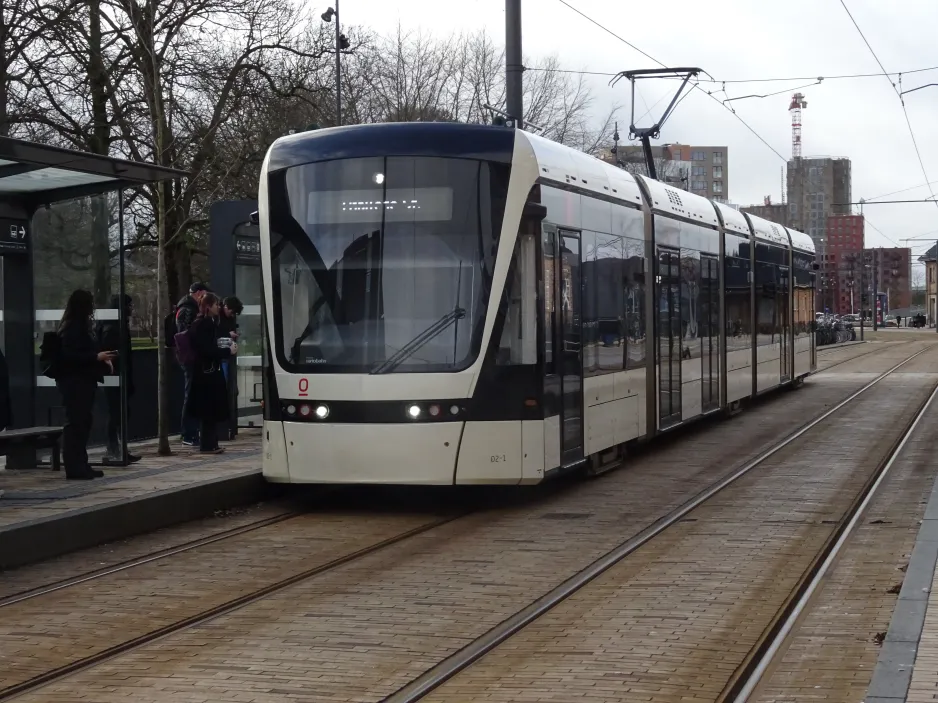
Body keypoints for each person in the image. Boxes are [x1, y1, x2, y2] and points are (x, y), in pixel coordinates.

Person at [57, 290, 116, 479]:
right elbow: (68, 356)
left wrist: (100, 359)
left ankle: (81, 464)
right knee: (76, 423)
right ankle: (74, 467)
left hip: (82, 381)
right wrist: (95, 357)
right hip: (75, 383)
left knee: (82, 423)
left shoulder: (79, 326)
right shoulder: (73, 327)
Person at [184, 293, 237, 454]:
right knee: (209, 409)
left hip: (204, 372)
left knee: (209, 410)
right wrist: (228, 351)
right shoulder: (205, 324)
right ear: (208, 306)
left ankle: (210, 443)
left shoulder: (202, 323)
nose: (218, 308)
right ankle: (208, 444)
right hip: (207, 373)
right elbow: (207, 349)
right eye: (215, 305)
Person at [97, 294, 140, 464]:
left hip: (117, 374)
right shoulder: (113, 328)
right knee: (116, 412)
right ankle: (114, 448)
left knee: (119, 412)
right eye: (129, 305)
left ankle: (117, 448)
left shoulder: (115, 325)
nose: (131, 309)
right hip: (114, 375)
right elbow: (112, 352)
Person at [176, 282, 210, 447]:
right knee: (190, 394)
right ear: (199, 293)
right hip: (190, 359)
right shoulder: (188, 310)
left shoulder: (187, 308)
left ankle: (191, 432)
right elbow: (188, 334)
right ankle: (188, 434)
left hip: (191, 358)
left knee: (193, 394)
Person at [217, 296, 243, 383]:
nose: (232, 315)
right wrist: (228, 334)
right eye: (232, 312)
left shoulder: (230, 318)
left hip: (227, 351)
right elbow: (215, 332)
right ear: (226, 307)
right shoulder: (217, 316)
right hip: (219, 352)